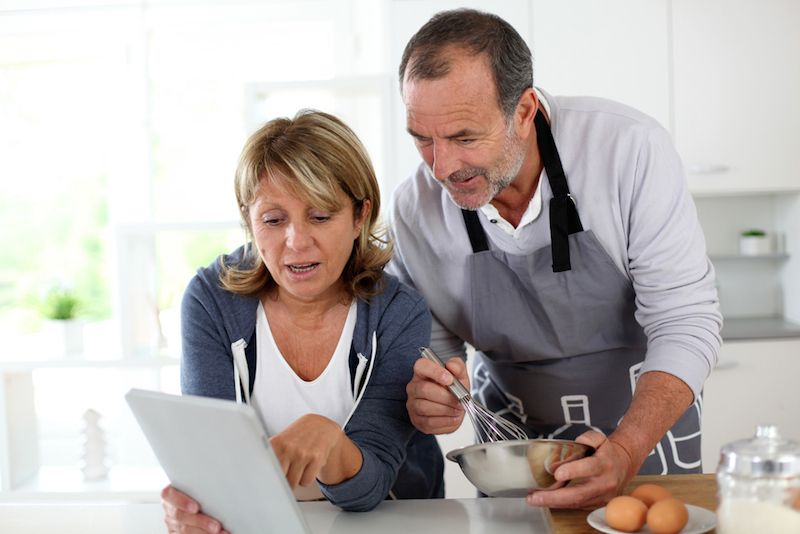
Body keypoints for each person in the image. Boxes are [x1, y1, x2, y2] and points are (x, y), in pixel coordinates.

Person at [389, 9, 722, 510]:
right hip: (512, 456)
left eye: (464, 138)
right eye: (422, 137)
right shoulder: (413, 208)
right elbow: (433, 356)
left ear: (524, 112)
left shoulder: (628, 149)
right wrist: (432, 400)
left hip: (646, 434)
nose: (442, 166)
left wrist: (627, 449)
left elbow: (687, 321)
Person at [161, 110, 444, 533]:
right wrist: (195, 509)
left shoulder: (398, 313)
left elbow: (372, 485)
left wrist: (328, 441)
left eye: (320, 216)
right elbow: (216, 466)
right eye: (273, 221)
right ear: (249, 220)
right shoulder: (210, 301)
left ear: (359, 216)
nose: (296, 242)